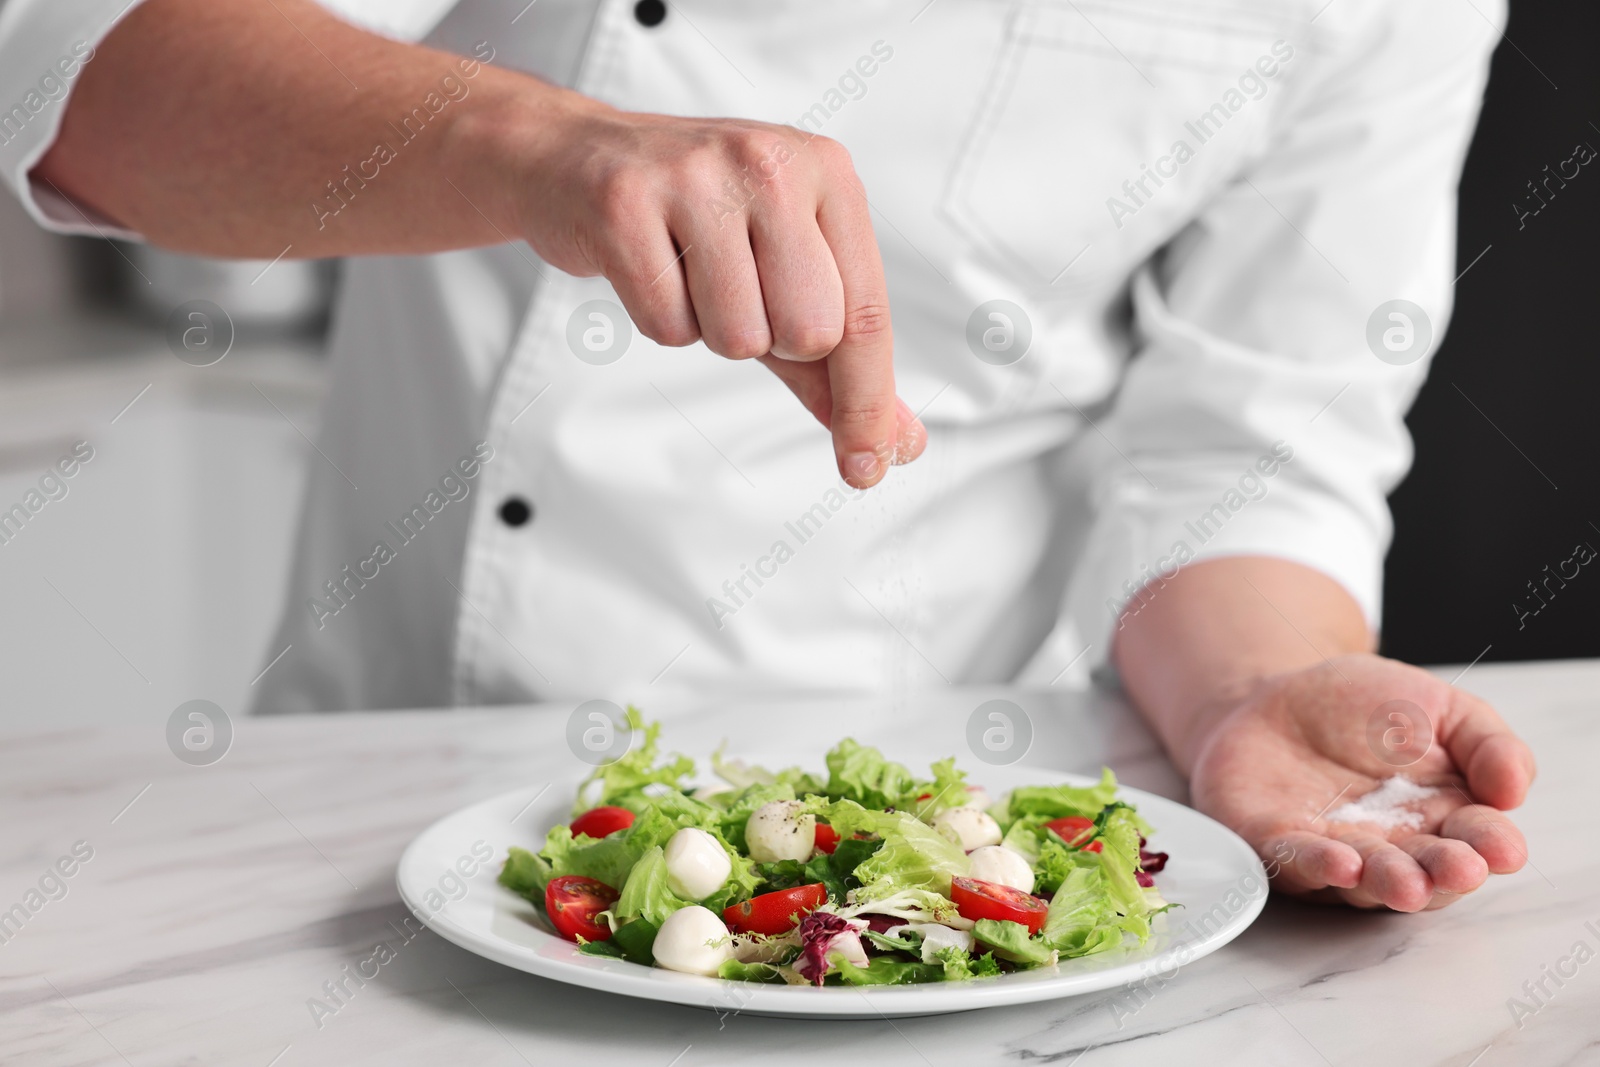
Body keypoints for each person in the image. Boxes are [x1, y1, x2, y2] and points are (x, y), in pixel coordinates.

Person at [0, 0, 1533, 913]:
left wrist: (1256, 696)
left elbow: (1254, 439)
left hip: (917, 847)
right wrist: (543, 151)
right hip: (373, 779)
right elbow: (86, 88)